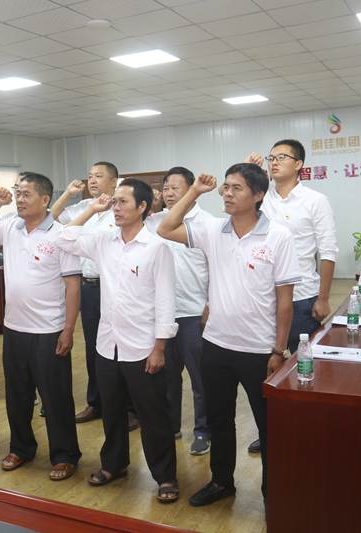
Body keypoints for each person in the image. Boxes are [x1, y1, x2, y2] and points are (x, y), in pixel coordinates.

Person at [157, 165, 300, 507]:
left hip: (260, 349)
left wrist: (279, 349)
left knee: (268, 426)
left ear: (258, 194)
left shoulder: (278, 236)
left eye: (237, 188)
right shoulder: (212, 230)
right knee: (220, 420)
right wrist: (194, 191)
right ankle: (222, 482)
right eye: (226, 187)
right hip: (217, 345)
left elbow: (285, 302)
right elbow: (165, 227)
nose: (227, 194)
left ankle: (273, 493)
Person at [57, 178, 180, 503]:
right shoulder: (104, 241)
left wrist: (160, 348)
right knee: (111, 412)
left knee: (153, 416)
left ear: (143, 207)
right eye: (115, 202)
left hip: (143, 347)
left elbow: (166, 301)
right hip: (107, 344)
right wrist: (92, 209)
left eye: (123, 202)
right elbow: (64, 237)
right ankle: (114, 465)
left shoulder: (156, 247)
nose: (116, 207)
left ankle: (165, 476)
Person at [0, 173, 82, 482]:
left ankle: (65, 455)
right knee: (17, 395)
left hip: (49, 330)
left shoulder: (62, 235)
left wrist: (68, 329)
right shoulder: (10, 227)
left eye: (26, 194)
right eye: (17, 194)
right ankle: (21, 448)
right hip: (15, 329)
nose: (19, 199)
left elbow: (73, 286)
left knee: (55, 398)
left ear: (45, 199)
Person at [243, 140, 338, 454]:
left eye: (281, 157)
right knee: (264, 367)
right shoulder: (260, 197)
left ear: (299, 164)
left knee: (299, 368)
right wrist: (249, 173)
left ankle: (302, 430)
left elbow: (328, 250)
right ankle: (270, 431)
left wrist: (323, 297)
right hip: (262, 299)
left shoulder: (315, 200)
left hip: (302, 296)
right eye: (270, 157)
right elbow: (235, 214)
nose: (273, 162)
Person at [51, 162, 139, 431]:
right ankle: (96, 402)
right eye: (89, 176)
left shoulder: (122, 208)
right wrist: (68, 194)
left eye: (99, 176)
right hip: (88, 288)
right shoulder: (82, 207)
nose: (92, 180)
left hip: (117, 287)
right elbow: (51, 219)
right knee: (94, 347)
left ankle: (130, 408)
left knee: (123, 347)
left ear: (114, 181)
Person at [146, 167, 212, 455]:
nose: (170, 193)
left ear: (192, 189)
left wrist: (211, 305)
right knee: (167, 376)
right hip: (163, 314)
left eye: (176, 188)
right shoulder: (154, 222)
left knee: (200, 378)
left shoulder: (208, 223)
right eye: (166, 188)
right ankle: (171, 425)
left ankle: (203, 430)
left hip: (194, 312)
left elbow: (217, 269)